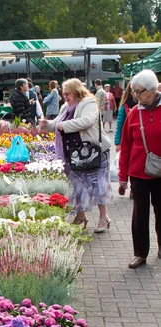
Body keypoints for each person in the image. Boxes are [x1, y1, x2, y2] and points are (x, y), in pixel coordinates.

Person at [39, 78, 112, 233]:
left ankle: (103, 218)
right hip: (75, 152)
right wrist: (47, 125)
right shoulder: (66, 106)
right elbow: (58, 125)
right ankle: (80, 216)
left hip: (94, 150)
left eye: (67, 93)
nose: (65, 96)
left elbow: (86, 121)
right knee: (78, 184)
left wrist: (61, 126)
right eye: (63, 94)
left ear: (76, 91)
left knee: (98, 185)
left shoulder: (89, 103)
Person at [118, 69, 161, 269]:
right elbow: (125, 146)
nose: (134, 95)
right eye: (133, 91)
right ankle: (140, 254)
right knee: (139, 215)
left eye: (139, 91)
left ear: (152, 90)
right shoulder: (134, 113)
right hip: (138, 173)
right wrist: (122, 178)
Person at [115, 82, 137, 152]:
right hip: (128, 141)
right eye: (137, 91)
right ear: (132, 93)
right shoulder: (125, 107)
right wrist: (118, 143)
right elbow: (119, 125)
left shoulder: (146, 105)